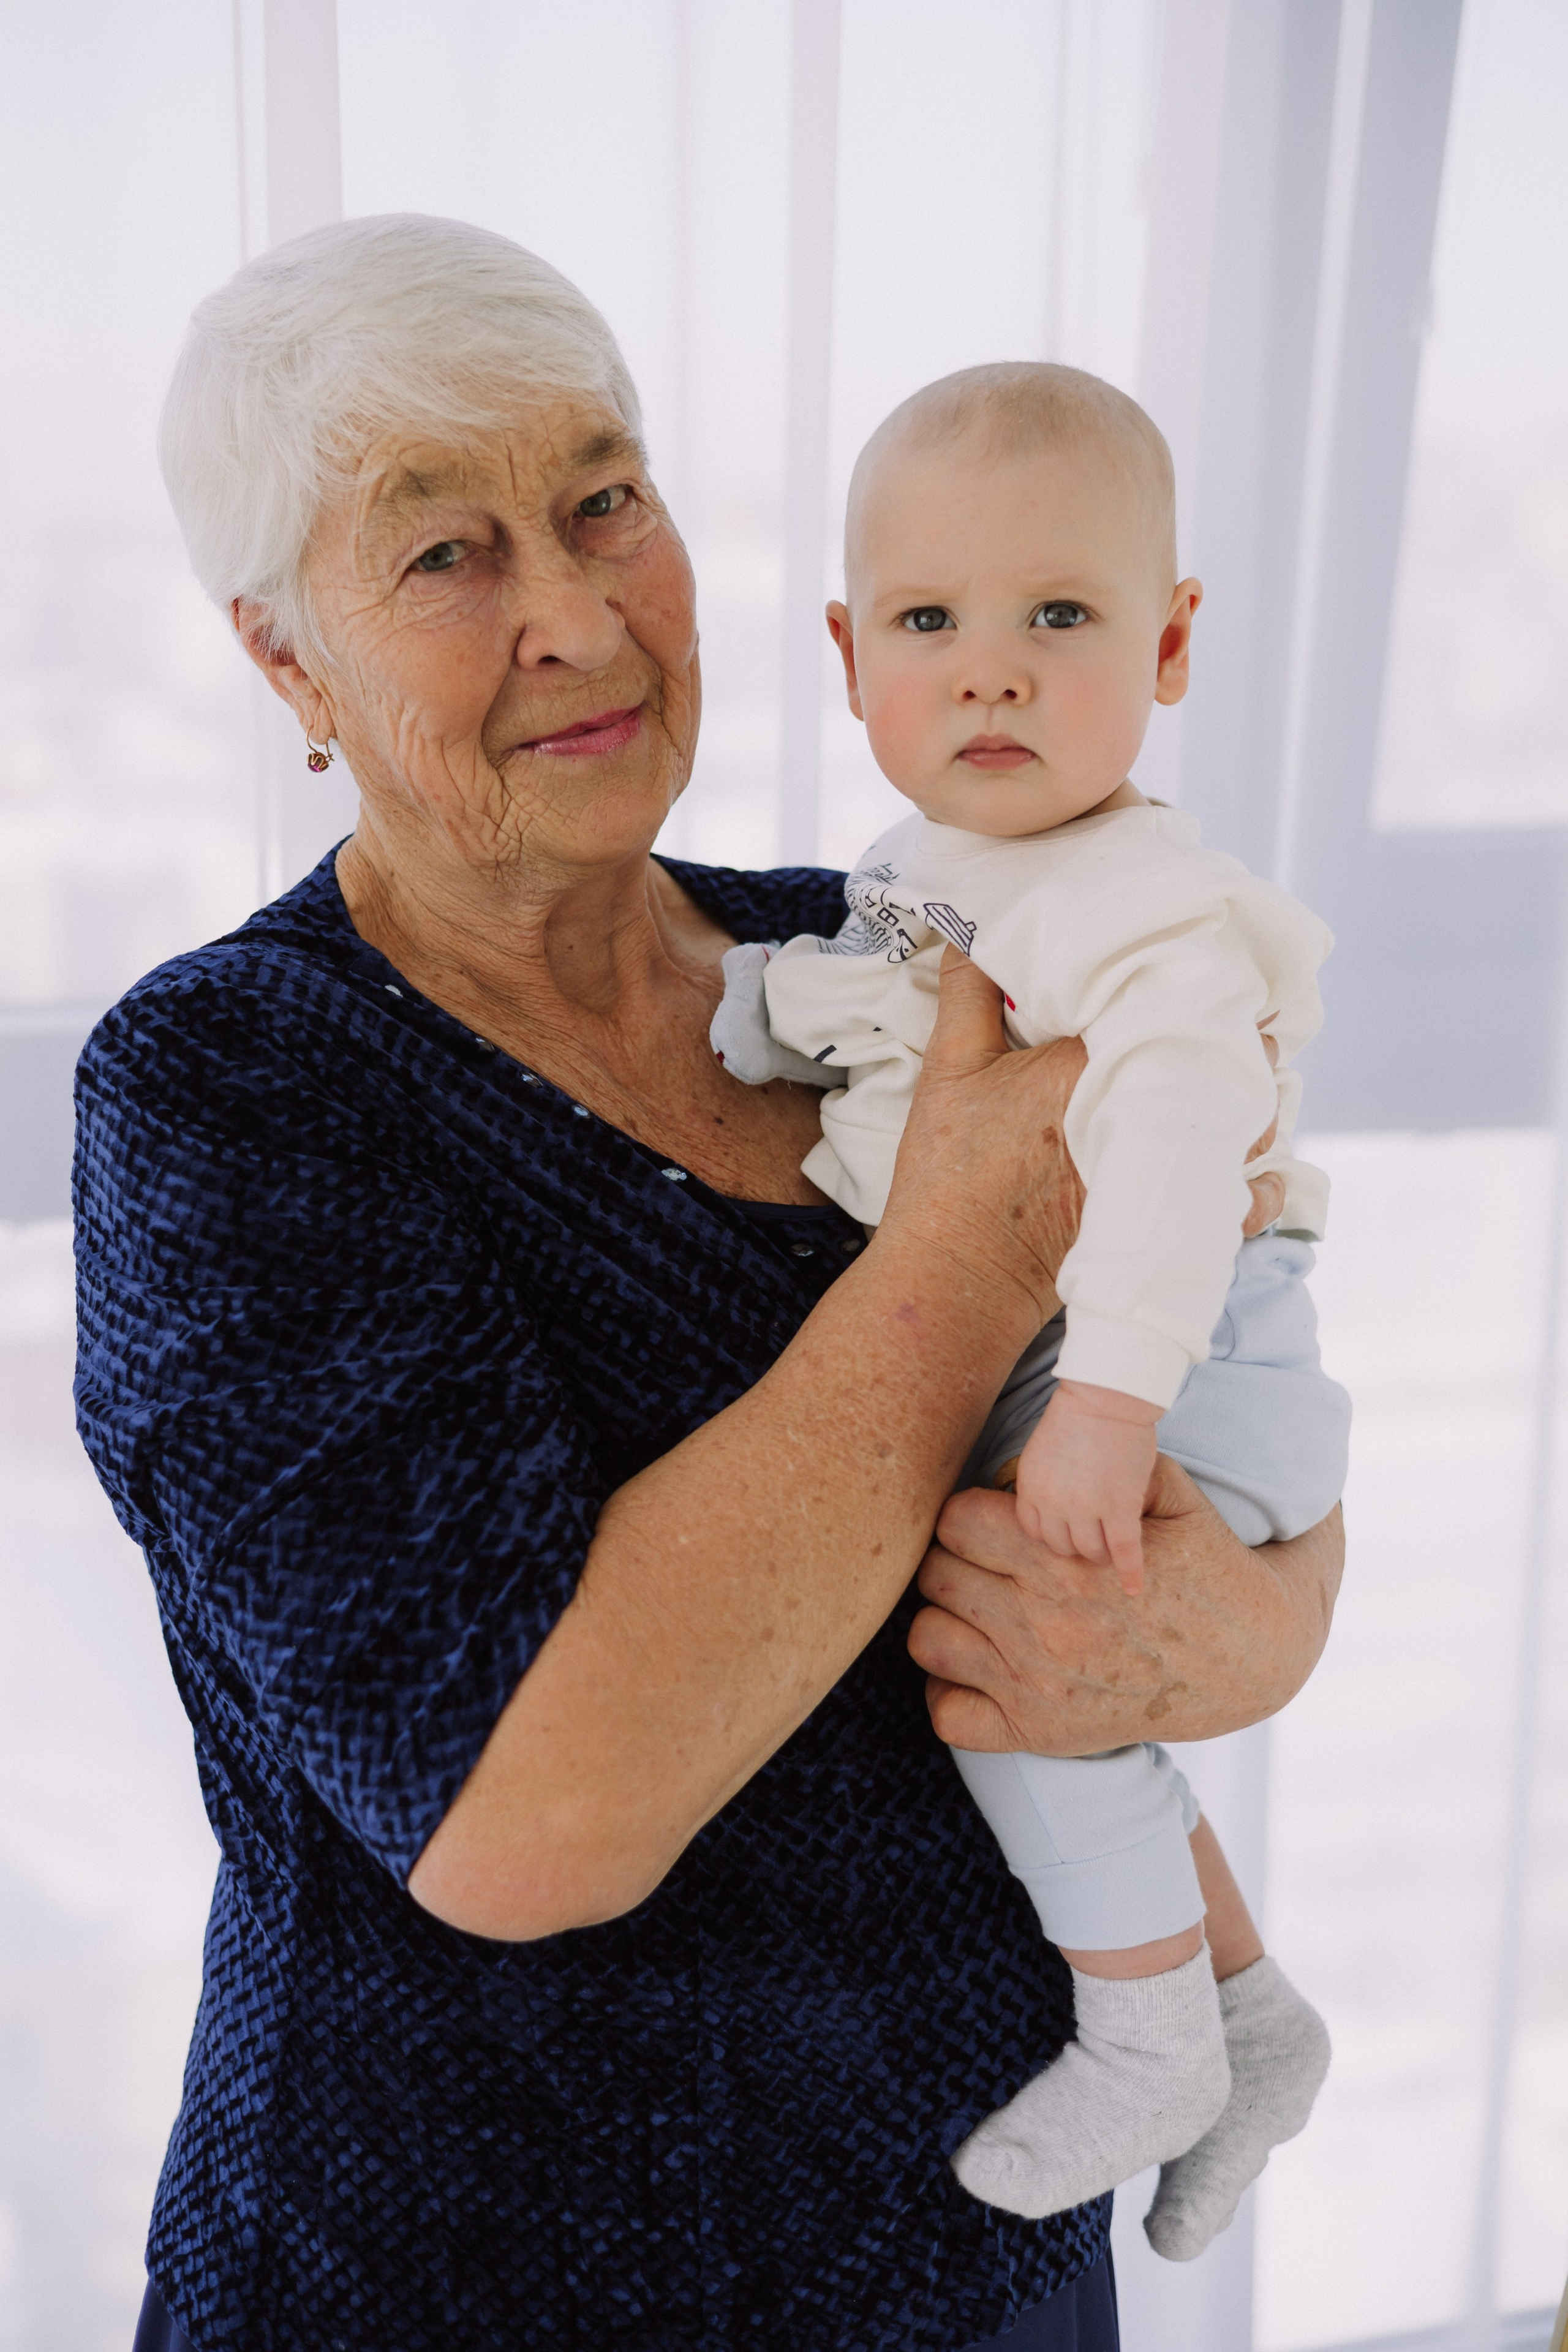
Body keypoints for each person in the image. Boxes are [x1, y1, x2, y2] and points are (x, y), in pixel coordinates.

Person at [75, 216, 1343, 2352]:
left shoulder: (856, 944)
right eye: (445, 556)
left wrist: (1247, 1631)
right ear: (290, 664)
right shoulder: (233, 1086)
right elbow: (525, 1816)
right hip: (472, 2280)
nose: (574, 615)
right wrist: (961, 1248)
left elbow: (1226, 1397)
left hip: (979, 2244)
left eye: (602, 503)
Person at [710, 363, 1348, 2246]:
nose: (987, 671)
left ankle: (1149, 2039)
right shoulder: (937, 863)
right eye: (930, 621)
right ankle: (1249, 2012)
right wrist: (768, 1009)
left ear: (1169, 643)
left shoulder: (1141, 903)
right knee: (1081, 1700)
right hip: (1097, 1342)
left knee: (1022, 1683)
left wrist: (1112, 1408)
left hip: (1176, 1351)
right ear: (848, 655)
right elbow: (892, 999)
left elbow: (1171, 1156)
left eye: (1057, 617)